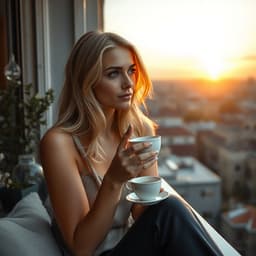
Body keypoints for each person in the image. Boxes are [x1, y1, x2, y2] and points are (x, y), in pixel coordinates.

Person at [40, 31, 223, 256]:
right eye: (113, 73)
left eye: (131, 71)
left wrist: (150, 192)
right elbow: (81, 247)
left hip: (135, 246)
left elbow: (141, 213)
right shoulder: (59, 143)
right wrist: (114, 181)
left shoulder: (140, 129)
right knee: (172, 209)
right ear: (86, 80)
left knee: (170, 208)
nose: (128, 83)